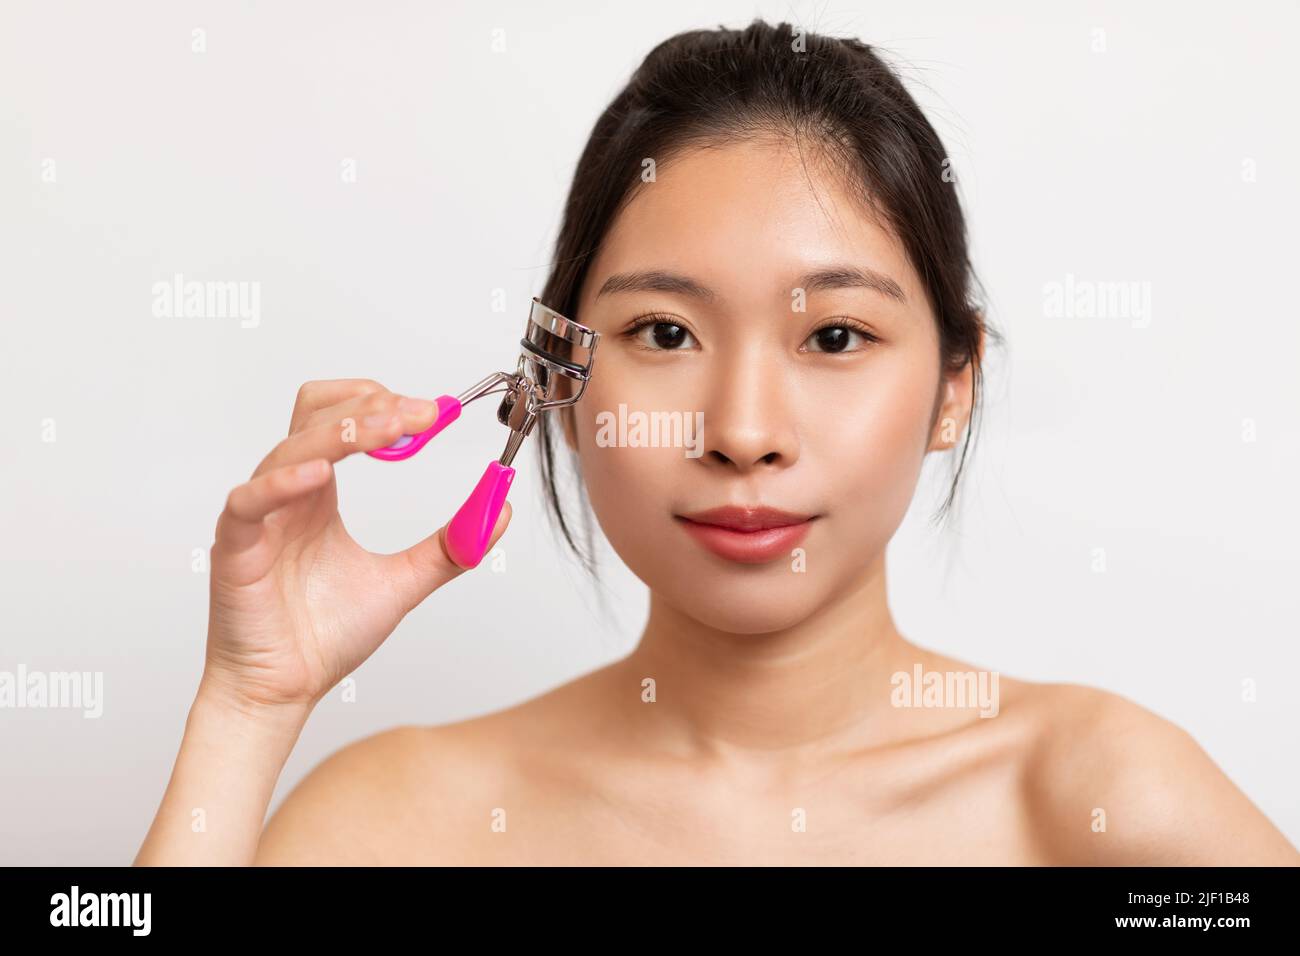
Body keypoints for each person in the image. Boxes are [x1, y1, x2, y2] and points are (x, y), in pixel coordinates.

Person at [136, 18, 1300, 865]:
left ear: (954, 387)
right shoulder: (399, 823)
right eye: (664, 330)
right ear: (561, 381)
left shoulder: (1097, 800)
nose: (742, 432)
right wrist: (249, 706)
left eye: (834, 334)